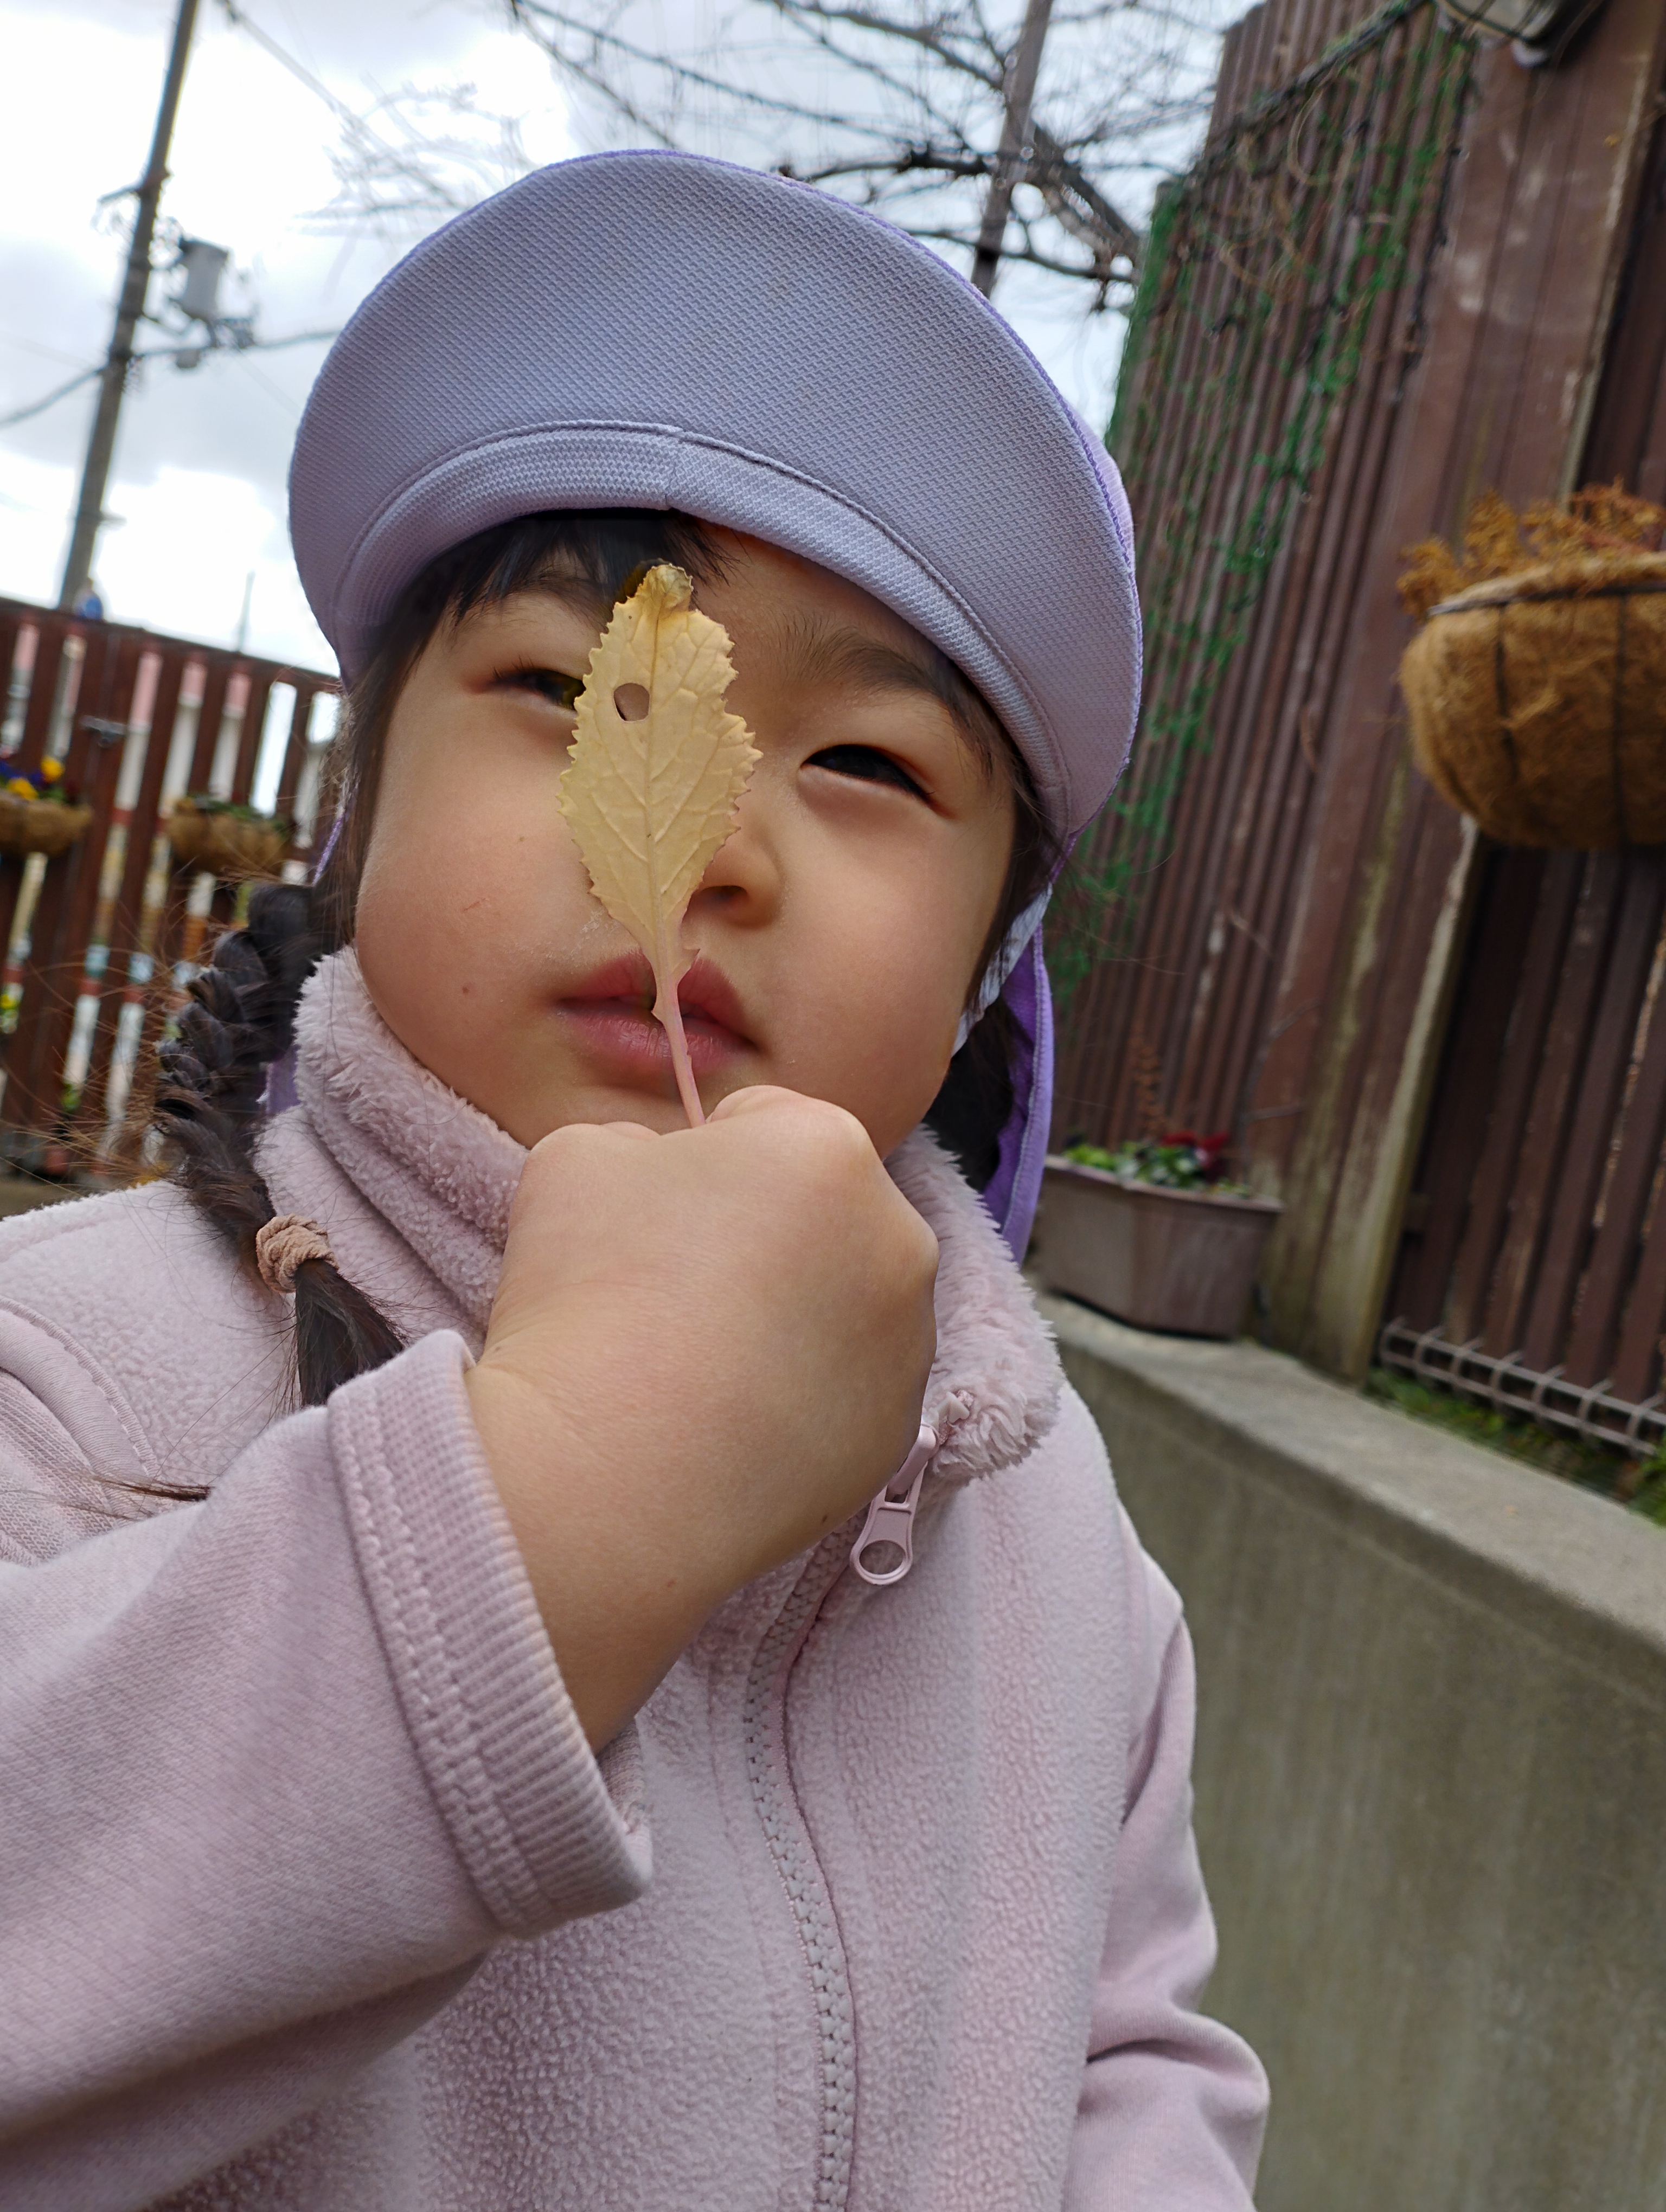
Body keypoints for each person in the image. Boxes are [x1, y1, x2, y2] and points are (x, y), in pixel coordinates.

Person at [0, 153, 1267, 2211]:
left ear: (983, 977)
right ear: (358, 811)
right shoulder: (68, 1384)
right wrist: (564, 1499)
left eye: (868, 766)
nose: (700, 846)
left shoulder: (1054, 1533)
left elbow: (1133, 2056)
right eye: (567, 696)